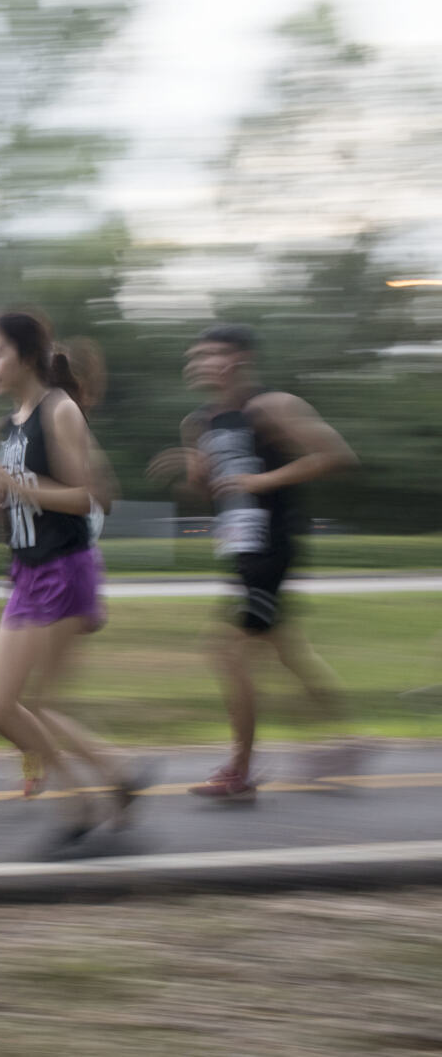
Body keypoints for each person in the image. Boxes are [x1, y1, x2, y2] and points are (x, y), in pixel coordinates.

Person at [147, 324, 358, 802]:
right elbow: (210, 493)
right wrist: (195, 473)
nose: (199, 363)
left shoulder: (271, 406)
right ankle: (351, 740)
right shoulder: (198, 422)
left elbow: (336, 454)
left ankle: (240, 769)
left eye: (211, 354)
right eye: (195, 355)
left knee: (225, 650)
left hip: (273, 546)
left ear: (238, 359)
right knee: (287, 653)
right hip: (239, 548)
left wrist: (263, 483)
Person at [0, 310, 146, 854]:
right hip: (28, 573)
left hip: (64, 570)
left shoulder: (58, 410)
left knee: (24, 703)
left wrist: (9, 484)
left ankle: (87, 795)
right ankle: (115, 775)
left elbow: (86, 495)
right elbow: (13, 494)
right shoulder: (15, 423)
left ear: (25, 353)